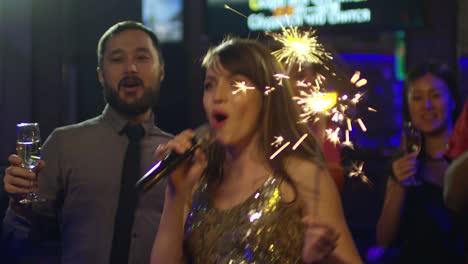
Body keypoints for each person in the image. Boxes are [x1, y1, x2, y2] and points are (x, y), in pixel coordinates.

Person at [150, 38, 362, 263]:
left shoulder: (302, 175)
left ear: (267, 96)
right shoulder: (198, 175)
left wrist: (319, 259)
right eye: (210, 84)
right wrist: (175, 195)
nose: (217, 96)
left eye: (235, 84)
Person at [2, 21, 171, 263]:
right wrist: (18, 205)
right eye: (117, 59)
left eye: (142, 58)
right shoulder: (64, 144)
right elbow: (16, 244)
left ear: (161, 71)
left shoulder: (179, 157)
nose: (130, 68)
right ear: (101, 75)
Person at [376, 62, 464, 263]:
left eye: (435, 95)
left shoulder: (464, 161)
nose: (427, 105)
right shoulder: (400, 165)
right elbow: (383, 240)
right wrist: (399, 184)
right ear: (408, 106)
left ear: (451, 101)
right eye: (417, 98)